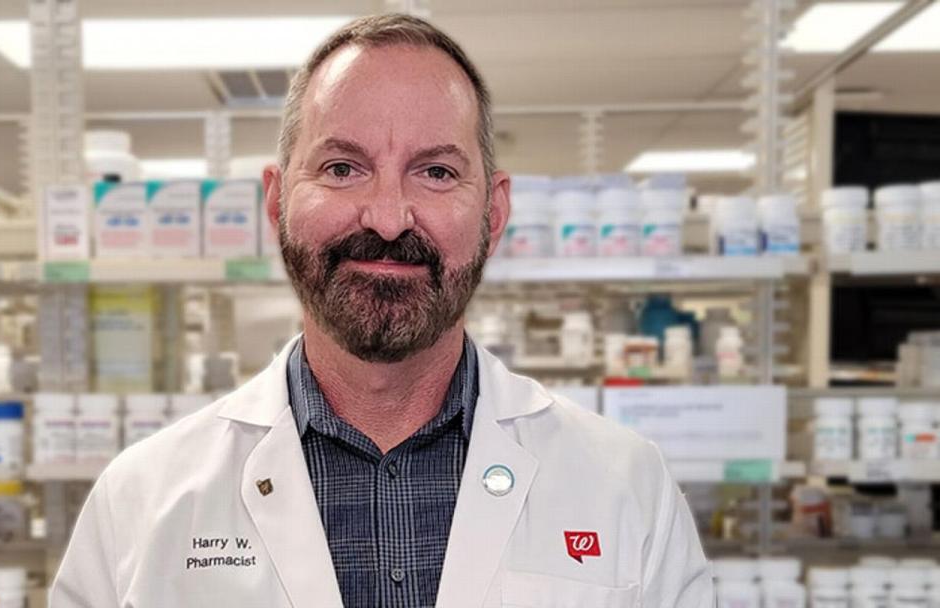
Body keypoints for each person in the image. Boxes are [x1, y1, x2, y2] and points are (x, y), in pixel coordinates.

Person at [51, 14, 714, 607]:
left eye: (437, 172)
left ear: (494, 213)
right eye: (342, 168)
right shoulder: (140, 502)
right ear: (277, 202)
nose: (390, 218)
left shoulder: (628, 487)